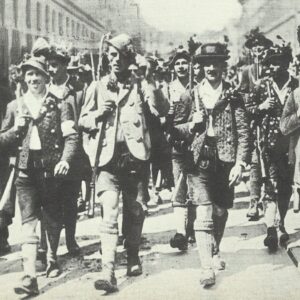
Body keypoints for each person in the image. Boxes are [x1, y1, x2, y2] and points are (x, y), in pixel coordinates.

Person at [79, 33, 169, 293]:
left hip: (136, 158)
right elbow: (82, 121)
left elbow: (161, 110)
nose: (115, 60)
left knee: (135, 210)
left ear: (130, 57)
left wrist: (148, 80)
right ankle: (107, 269)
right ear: (107, 58)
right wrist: (98, 114)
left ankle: (132, 254)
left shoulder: (139, 85)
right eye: (112, 55)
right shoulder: (97, 87)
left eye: (121, 55)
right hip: (108, 159)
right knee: (109, 208)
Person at [170, 43, 250, 286]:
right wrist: (191, 126)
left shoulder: (234, 95)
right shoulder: (189, 96)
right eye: (207, 64)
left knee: (220, 211)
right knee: (203, 210)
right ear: (201, 67)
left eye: (216, 63)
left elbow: (244, 132)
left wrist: (240, 163)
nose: (212, 68)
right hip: (198, 160)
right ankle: (206, 268)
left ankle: (215, 250)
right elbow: (174, 129)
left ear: (223, 66)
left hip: (225, 160)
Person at [0, 55, 79, 296]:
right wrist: (16, 130)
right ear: (24, 78)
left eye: (38, 74)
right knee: (28, 223)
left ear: (46, 76)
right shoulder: (16, 106)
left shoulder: (59, 103)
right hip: (25, 171)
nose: (33, 79)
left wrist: (65, 160)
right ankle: (30, 276)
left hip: (52, 169)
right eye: (29, 74)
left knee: (53, 217)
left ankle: (53, 258)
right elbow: (2, 139)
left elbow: (72, 136)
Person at [246, 43, 298, 250]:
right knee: (270, 186)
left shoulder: (296, 85)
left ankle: (281, 223)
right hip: (267, 144)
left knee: (285, 187)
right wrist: (260, 107)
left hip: (292, 145)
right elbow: (246, 110)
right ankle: (270, 228)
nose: (271, 68)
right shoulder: (261, 86)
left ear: (286, 64)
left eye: (276, 63)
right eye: (269, 64)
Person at [239, 28, 274, 220]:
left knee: (270, 162)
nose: (259, 52)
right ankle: (254, 200)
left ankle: (269, 198)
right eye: (255, 49)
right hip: (254, 124)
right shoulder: (247, 73)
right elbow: (242, 100)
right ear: (251, 51)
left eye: (262, 49)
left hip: (273, 125)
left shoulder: (273, 69)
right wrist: (259, 107)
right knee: (254, 163)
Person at [166, 47, 198, 250]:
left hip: (197, 142)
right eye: (177, 63)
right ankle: (181, 232)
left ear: (191, 65)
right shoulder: (168, 88)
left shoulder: (198, 87)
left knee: (194, 186)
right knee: (179, 185)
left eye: (184, 62)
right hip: (176, 141)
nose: (181, 66)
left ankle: (193, 227)